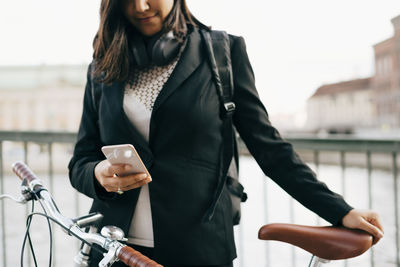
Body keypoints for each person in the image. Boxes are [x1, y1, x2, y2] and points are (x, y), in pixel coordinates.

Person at [68, 0, 384, 266]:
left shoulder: (223, 52)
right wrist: (98, 174)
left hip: (197, 246)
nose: (141, 6)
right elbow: (81, 160)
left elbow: (269, 148)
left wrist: (340, 210)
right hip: (113, 248)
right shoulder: (101, 67)